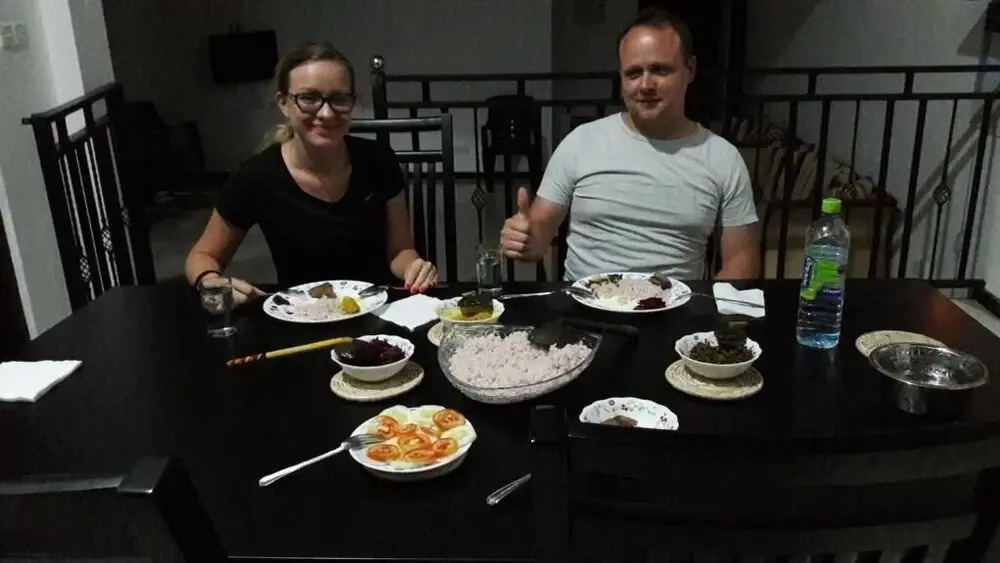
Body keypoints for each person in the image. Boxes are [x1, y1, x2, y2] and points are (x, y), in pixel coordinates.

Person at [500, 8, 760, 281]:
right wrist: (526, 239)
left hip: (674, 305)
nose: (646, 85)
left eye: (660, 70)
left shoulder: (723, 158)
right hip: (585, 303)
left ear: (690, 70)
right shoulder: (581, 142)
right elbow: (541, 228)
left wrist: (710, 304)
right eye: (633, 73)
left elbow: (742, 260)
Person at [186, 42, 438, 304]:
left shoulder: (379, 159)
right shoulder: (256, 176)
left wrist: (413, 267)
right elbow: (202, 256)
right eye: (309, 98)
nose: (326, 113)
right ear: (284, 104)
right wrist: (210, 281)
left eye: (339, 99)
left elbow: (400, 250)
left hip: (376, 308)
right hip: (301, 314)